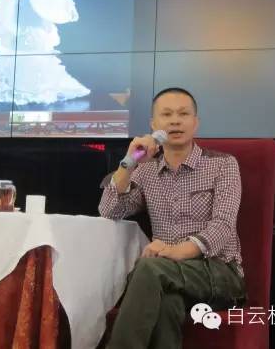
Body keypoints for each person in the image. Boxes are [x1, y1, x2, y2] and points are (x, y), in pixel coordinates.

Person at [98, 87, 246, 349]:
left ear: (195, 123)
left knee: (149, 268)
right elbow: (110, 210)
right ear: (154, 125)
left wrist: (174, 251)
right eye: (166, 115)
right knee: (167, 303)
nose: (175, 121)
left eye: (183, 114)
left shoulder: (223, 165)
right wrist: (129, 161)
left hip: (219, 272)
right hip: (165, 276)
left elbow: (223, 227)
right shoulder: (145, 170)